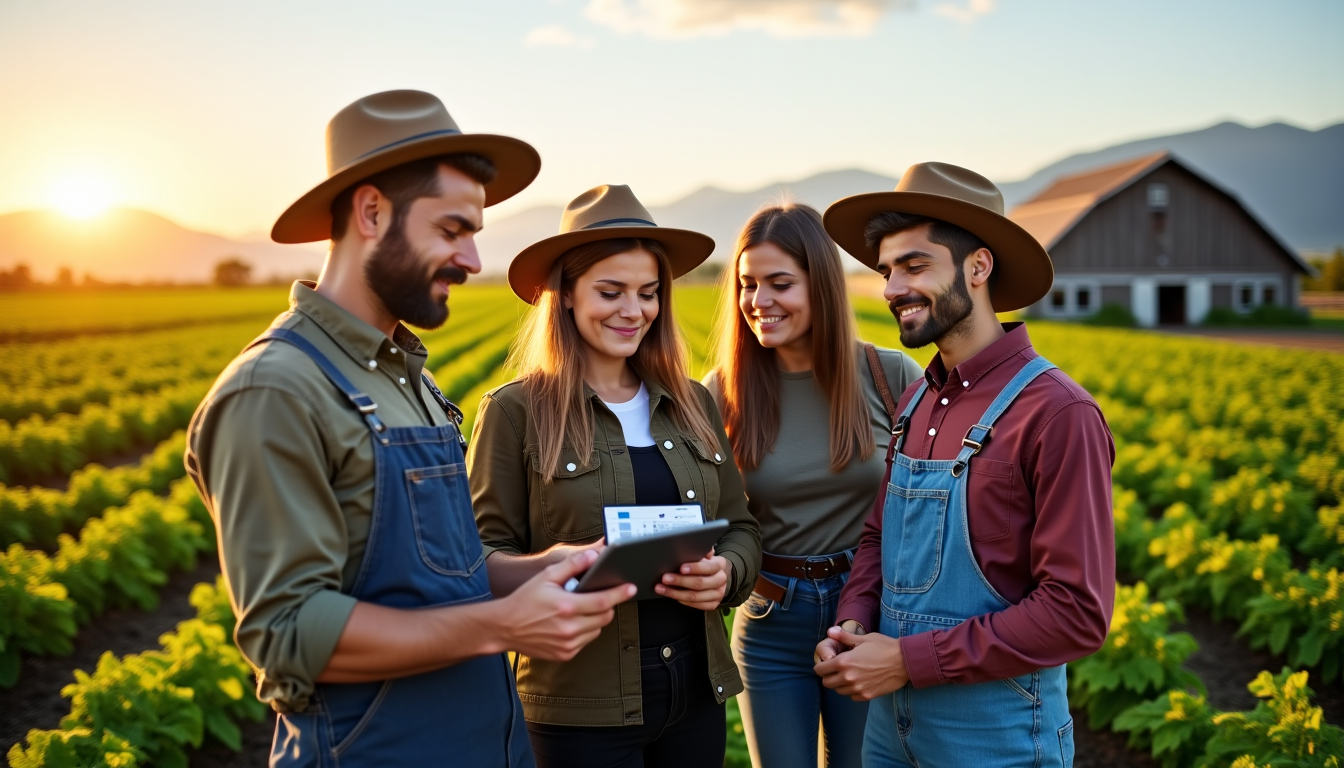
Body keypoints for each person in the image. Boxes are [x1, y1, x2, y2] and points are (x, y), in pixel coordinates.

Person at [185, 91, 635, 768]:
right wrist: (501, 626)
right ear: (371, 213)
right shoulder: (275, 390)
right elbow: (288, 631)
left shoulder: (406, 377)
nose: (473, 260)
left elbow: (439, 574)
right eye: (452, 230)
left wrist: (536, 571)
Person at [812, 162, 1116, 767]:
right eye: (887, 271)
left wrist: (906, 660)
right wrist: (854, 623)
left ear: (978, 268)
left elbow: (1076, 613)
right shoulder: (915, 400)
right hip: (887, 731)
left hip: (996, 738)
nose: (892, 288)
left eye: (914, 265)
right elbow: (878, 537)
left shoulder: (1058, 413)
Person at [468, 184, 762, 768]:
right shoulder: (514, 412)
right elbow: (476, 559)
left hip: (695, 692)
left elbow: (742, 527)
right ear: (565, 294)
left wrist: (727, 572)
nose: (634, 311)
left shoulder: (692, 402)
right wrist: (556, 565)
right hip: (578, 708)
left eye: (648, 294)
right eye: (611, 292)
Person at [703, 203, 921, 768]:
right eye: (748, 284)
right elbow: (710, 521)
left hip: (868, 617)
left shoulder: (891, 375)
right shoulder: (721, 393)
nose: (759, 300)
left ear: (821, 285)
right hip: (770, 619)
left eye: (780, 284)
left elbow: (932, 510)